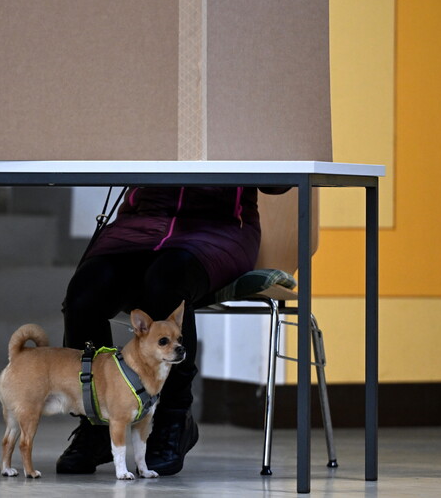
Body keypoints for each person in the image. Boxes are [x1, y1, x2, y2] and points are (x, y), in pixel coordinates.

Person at [57, 185, 287, 476]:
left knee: (166, 282)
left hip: (218, 227)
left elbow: (278, 183)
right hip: (140, 224)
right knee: (83, 295)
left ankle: (174, 420)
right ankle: (96, 423)